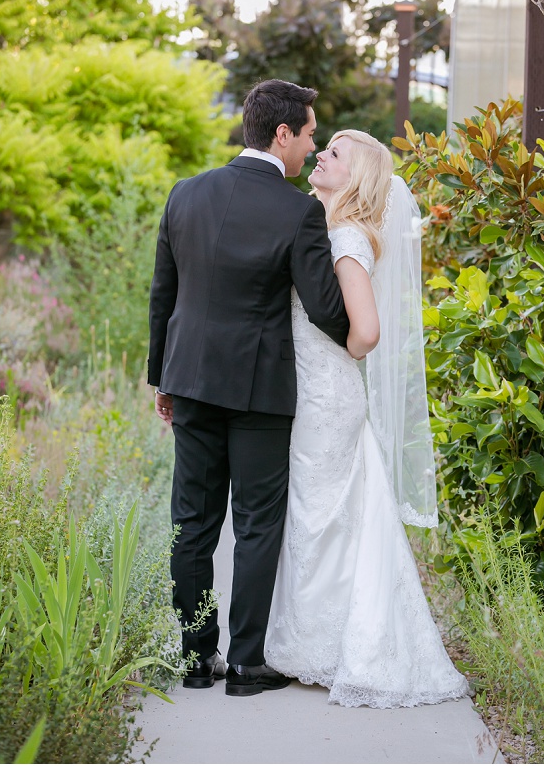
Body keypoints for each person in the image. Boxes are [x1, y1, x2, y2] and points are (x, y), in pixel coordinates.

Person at [148, 79, 351, 697]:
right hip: (260, 392)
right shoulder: (298, 211)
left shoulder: (185, 195)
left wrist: (162, 377)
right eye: (311, 133)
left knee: (193, 522)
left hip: (191, 381)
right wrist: (364, 332)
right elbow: (325, 309)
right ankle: (245, 665)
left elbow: (164, 297)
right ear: (283, 134)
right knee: (257, 525)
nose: (311, 145)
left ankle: (193, 658)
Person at [263, 129, 470, 708]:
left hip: (326, 390)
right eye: (322, 146)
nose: (321, 156)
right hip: (315, 387)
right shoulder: (324, 227)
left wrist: (337, 354)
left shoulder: (348, 236)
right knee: (323, 513)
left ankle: (326, 647)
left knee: (319, 514)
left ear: (356, 178)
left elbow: (368, 331)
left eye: (334, 153)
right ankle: (315, 641)